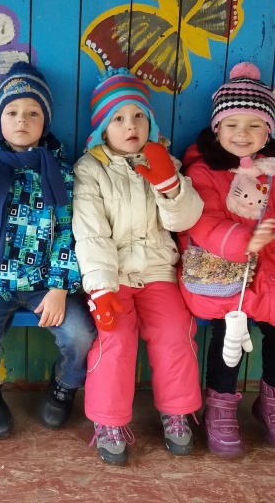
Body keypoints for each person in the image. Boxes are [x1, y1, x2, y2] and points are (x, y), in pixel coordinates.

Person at [0, 62, 97, 439]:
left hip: (44, 283)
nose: (21, 120)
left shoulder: (60, 171)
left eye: (32, 113)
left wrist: (59, 287)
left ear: (46, 121)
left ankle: (63, 388)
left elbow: (68, 232)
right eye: (11, 112)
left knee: (81, 337)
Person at [179, 62, 275, 454]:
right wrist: (245, 240)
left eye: (254, 125)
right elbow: (202, 223)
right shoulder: (202, 172)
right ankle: (220, 407)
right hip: (222, 270)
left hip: (273, 268)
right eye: (232, 125)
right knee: (229, 327)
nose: (242, 134)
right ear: (217, 129)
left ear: (268, 131)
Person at [73, 69, 204, 464]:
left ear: (151, 122)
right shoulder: (90, 169)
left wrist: (170, 186)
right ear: (102, 128)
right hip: (112, 277)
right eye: (118, 118)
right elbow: (91, 234)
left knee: (174, 331)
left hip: (157, 271)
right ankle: (108, 420)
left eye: (138, 116)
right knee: (115, 338)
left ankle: (177, 411)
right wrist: (100, 289)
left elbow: (185, 220)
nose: (130, 126)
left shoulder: (165, 160)